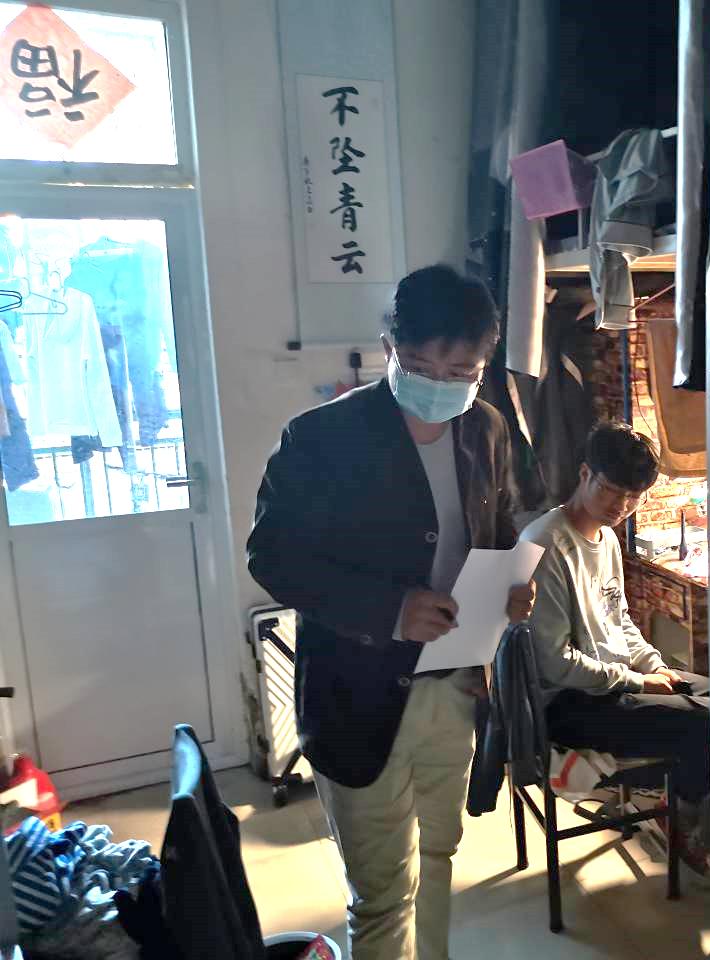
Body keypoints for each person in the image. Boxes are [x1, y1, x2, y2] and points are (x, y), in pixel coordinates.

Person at [247, 264, 535, 960]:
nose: (439, 384)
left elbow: (496, 527)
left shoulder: (485, 427)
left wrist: (508, 589)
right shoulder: (320, 438)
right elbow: (273, 557)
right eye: (421, 366)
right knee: (380, 894)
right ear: (388, 348)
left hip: (455, 687)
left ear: (483, 365)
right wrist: (389, 610)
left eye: (460, 370)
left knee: (439, 859)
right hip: (358, 694)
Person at [522, 421, 710, 843]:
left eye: (633, 497)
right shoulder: (545, 545)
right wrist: (639, 682)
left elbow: (619, 620)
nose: (620, 506)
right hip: (567, 703)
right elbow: (554, 663)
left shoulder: (606, 539)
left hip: (609, 682)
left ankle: (672, 802)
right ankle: (676, 815)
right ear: (585, 473)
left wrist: (654, 667)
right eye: (611, 490)